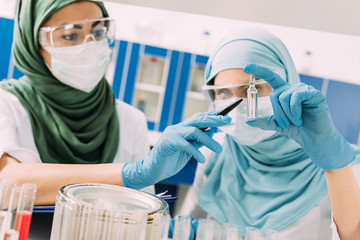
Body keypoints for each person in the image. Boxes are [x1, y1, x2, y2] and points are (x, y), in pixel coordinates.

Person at [0, 0, 230, 205]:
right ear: (33, 44)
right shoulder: (7, 104)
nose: (89, 45)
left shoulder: (130, 119)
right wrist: (130, 174)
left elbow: (144, 218)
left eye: (98, 31)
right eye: (71, 35)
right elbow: (5, 182)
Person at [179, 27, 360, 239]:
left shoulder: (340, 163)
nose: (238, 106)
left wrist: (335, 166)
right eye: (224, 93)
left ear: (286, 85)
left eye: (251, 89)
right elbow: (188, 228)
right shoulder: (215, 152)